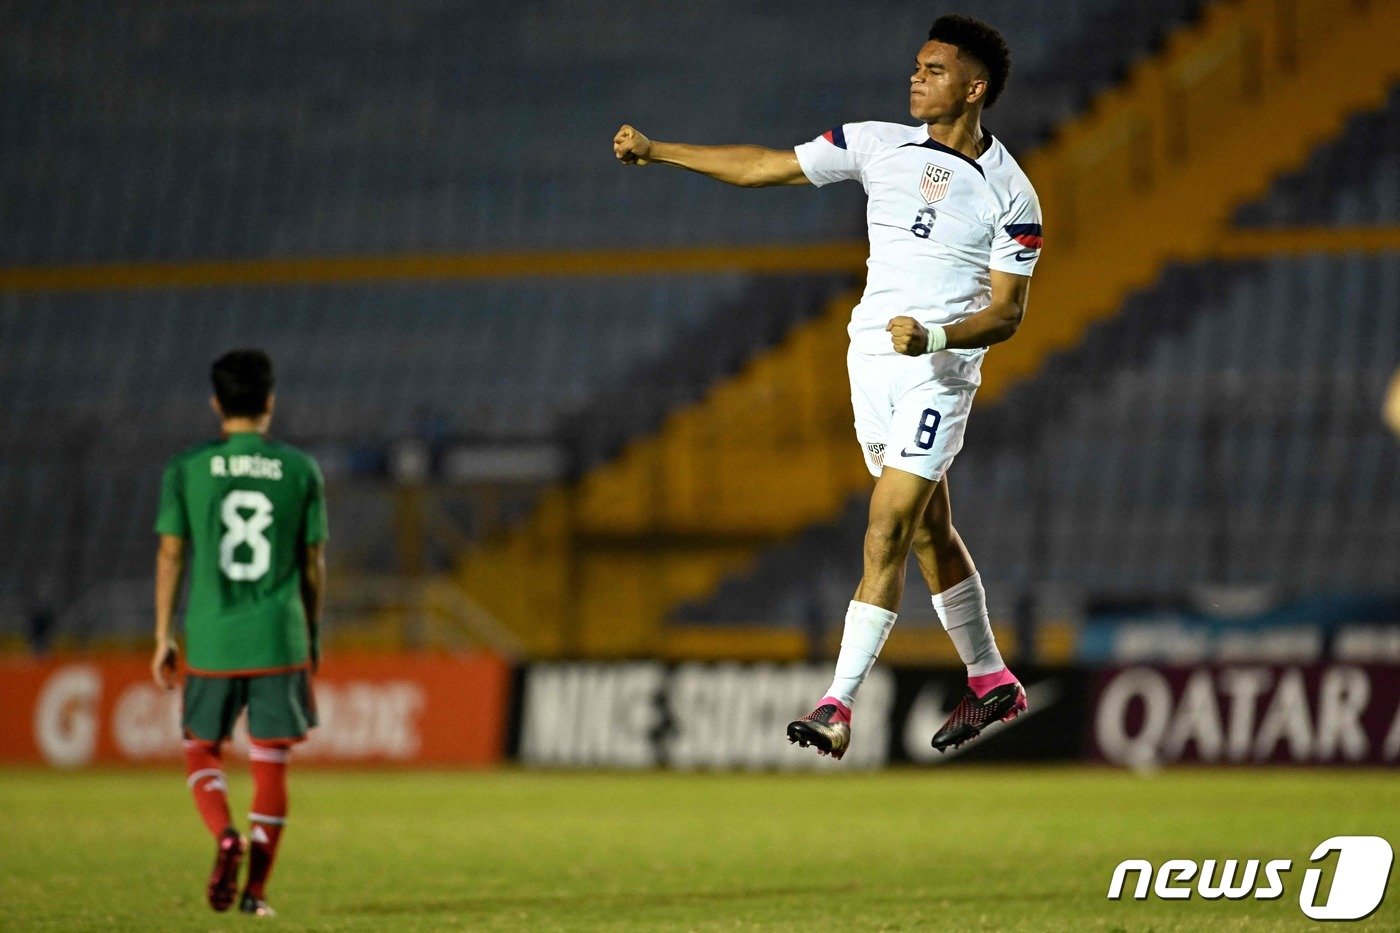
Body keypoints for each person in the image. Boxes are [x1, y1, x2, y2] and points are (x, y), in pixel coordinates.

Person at [613, 14, 1039, 758]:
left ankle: (836, 703)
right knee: (930, 530)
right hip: (869, 365)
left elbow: (1007, 312)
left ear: (974, 89)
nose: (915, 77)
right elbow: (762, 166)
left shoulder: (1012, 194)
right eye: (916, 65)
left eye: (933, 70)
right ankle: (990, 678)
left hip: (937, 374)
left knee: (886, 527)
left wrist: (935, 337)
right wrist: (660, 151)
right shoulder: (875, 143)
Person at [152, 348, 327, 915]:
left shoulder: (187, 467)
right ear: (270, 402)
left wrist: (162, 636)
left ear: (216, 403)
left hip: (213, 635)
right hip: (280, 635)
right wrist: (313, 633)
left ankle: (224, 835)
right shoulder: (301, 470)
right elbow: (312, 563)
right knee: (271, 761)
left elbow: (171, 553)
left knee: (200, 748)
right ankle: (255, 893)